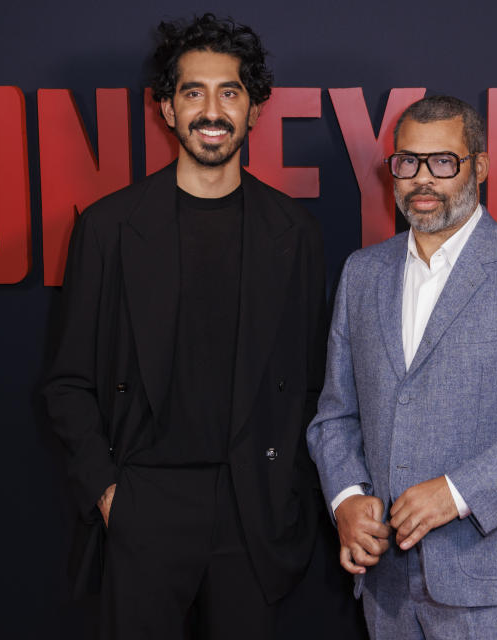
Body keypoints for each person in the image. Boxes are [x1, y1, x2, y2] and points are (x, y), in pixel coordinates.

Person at [42, 14, 326, 639]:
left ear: (254, 110)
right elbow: (67, 381)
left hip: (253, 505)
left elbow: (315, 383)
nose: (211, 110)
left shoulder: (295, 235)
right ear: (166, 109)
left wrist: (286, 489)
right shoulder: (109, 229)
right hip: (144, 500)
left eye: (230, 91)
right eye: (193, 92)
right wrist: (110, 494)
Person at [306, 95, 497, 640]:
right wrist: (347, 499)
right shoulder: (362, 274)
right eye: (408, 162)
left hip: (486, 583)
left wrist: (458, 491)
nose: (423, 180)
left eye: (443, 162)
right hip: (385, 587)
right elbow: (336, 415)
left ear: (481, 165)